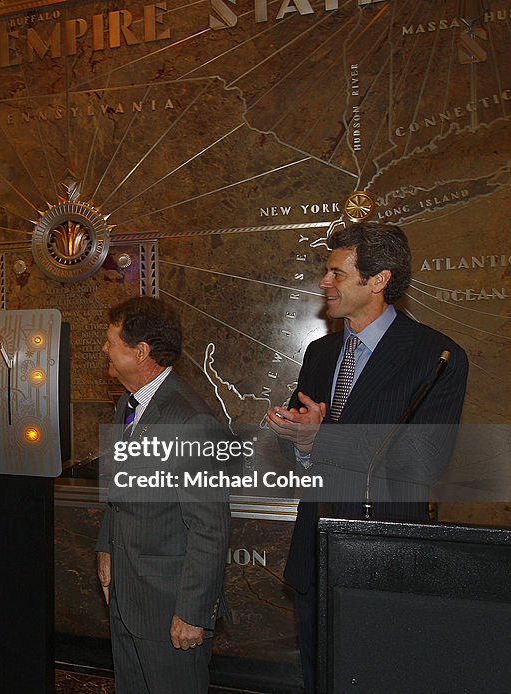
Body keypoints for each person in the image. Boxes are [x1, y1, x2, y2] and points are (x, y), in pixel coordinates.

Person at [265, 222, 468, 693]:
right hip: (315, 553)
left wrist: (321, 439)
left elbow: (424, 460)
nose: (324, 283)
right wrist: (294, 435)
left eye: (337, 273)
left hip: (383, 560)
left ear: (379, 280)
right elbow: (302, 444)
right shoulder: (320, 352)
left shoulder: (435, 356)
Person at [95, 297, 231, 693]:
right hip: (126, 596)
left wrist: (192, 613)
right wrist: (106, 549)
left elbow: (210, 529)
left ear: (141, 352)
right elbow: (119, 491)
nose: (104, 349)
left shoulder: (192, 420)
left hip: (169, 608)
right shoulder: (128, 404)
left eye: (110, 342)